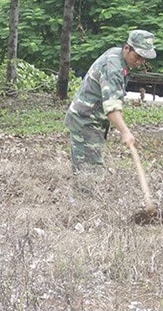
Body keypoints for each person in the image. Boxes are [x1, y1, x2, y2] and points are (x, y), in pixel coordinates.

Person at [64, 30, 156, 192]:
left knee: (88, 168)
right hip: (86, 120)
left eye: (144, 58)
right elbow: (111, 107)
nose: (140, 62)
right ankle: (82, 210)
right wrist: (125, 131)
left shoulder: (117, 56)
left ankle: (83, 204)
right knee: (89, 172)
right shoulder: (113, 68)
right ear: (127, 48)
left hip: (93, 119)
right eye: (138, 56)